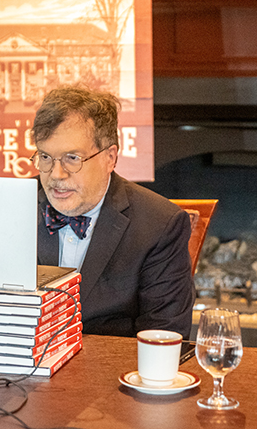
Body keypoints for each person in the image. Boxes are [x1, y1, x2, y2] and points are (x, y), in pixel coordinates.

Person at [31, 85, 195, 339]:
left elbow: (165, 337)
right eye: (45, 157)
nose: (56, 174)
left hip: (109, 373)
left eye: (72, 158)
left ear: (110, 158)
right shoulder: (8, 207)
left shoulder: (160, 225)